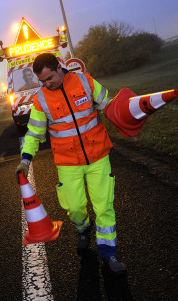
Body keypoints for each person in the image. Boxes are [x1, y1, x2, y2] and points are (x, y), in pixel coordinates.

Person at [15, 52, 126, 274]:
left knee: (104, 206)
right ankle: (83, 229)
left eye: (49, 79)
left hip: (98, 157)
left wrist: (130, 114)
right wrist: (25, 160)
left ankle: (109, 253)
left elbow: (110, 106)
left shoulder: (85, 81)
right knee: (75, 207)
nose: (46, 84)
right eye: (42, 81)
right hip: (67, 162)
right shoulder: (42, 99)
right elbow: (34, 133)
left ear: (59, 68)